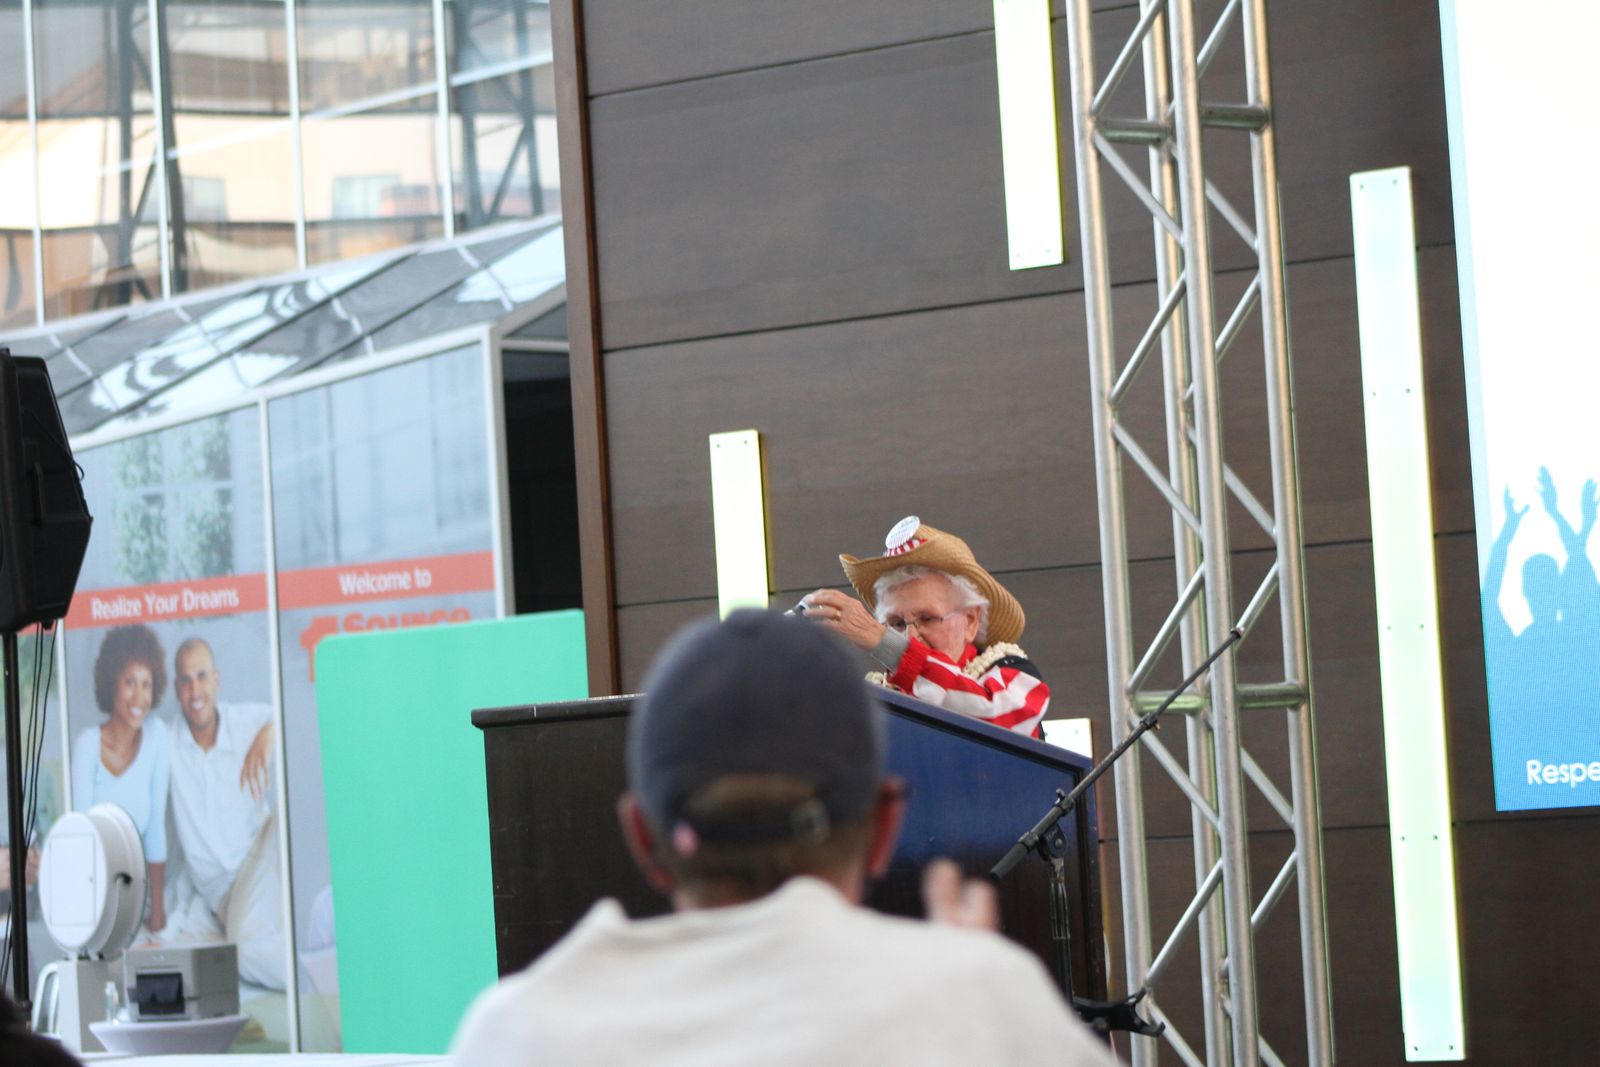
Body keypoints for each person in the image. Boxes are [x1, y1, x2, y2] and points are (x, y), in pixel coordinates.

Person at [450, 610, 1119, 1066]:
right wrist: (977, 998)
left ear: (643, 836)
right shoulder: (984, 1004)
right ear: (884, 827)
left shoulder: (518, 1032)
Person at [800, 516, 1050, 737]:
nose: (910, 637)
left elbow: (999, 720)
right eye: (897, 624)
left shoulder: (1014, 674)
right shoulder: (871, 699)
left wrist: (884, 642)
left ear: (970, 621)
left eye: (928, 618)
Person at [165, 637, 285, 990]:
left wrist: (268, 735)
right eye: (186, 681)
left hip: (262, 853)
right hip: (228, 892)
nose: (195, 691)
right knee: (247, 951)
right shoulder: (166, 745)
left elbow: (289, 713)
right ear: (176, 688)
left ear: (216, 680)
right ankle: (324, 981)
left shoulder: (241, 721)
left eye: (202, 677)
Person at [71, 624, 169, 933]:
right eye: (130, 682)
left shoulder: (157, 736)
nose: (139, 697)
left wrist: (158, 913)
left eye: (146, 684)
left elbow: (155, 829)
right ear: (112, 682)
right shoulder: (88, 745)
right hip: (93, 893)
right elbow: (81, 836)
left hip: (137, 895)